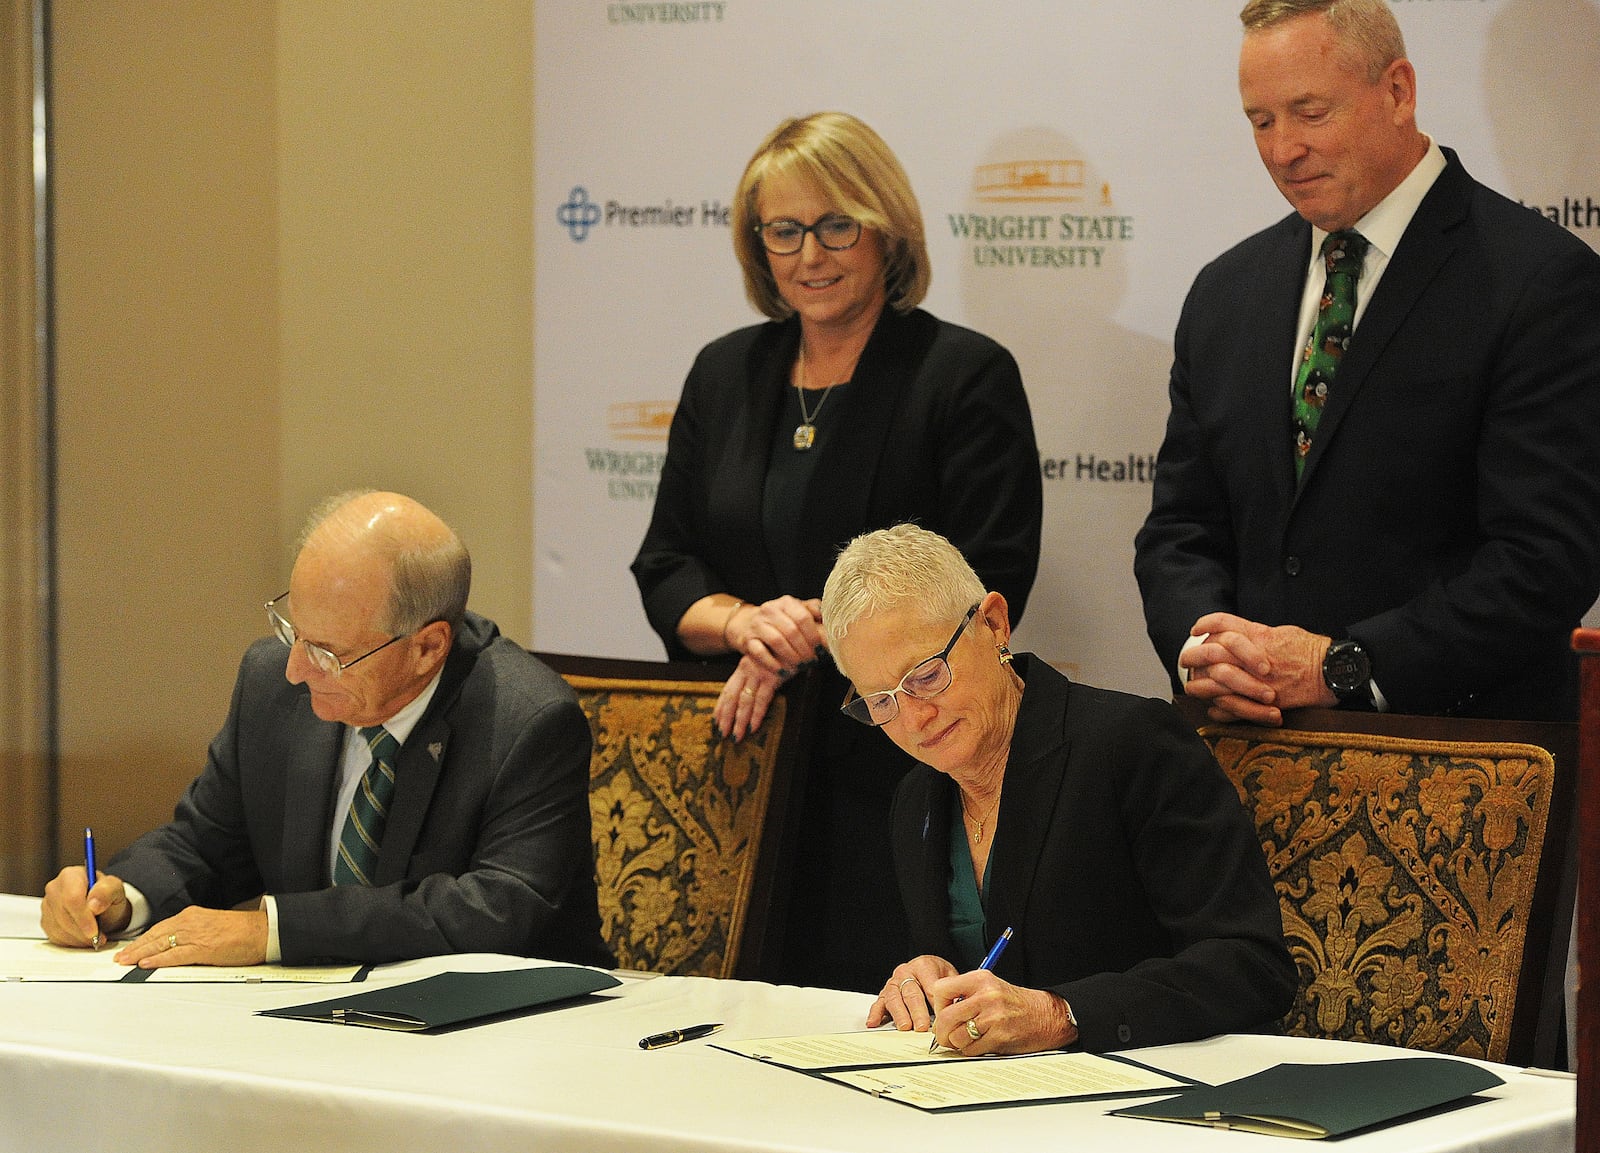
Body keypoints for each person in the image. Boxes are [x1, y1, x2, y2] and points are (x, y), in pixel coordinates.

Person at [631, 112, 1042, 992]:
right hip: (744, 769)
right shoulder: (723, 373)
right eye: (783, 230)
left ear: (884, 226)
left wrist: (812, 630)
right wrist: (748, 622)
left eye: (834, 225)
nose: (809, 254)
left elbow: (991, 573)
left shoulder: (962, 376)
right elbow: (665, 567)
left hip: (901, 764)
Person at [1134, 0, 1600, 725]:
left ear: (1398, 91)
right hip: (1236, 766)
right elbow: (1180, 531)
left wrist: (1343, 669)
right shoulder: (1226, 292)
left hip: (1455, 780)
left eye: (1310, 113)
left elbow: (1545, 560)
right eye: (1261, 121)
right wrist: (1209, 648)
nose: (1283, 150)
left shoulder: (1539, 283)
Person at [40, 490, 611, 969]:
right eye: (295, 633)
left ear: (427, 647)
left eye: (330, 653)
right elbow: (208, 842)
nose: (296, 669)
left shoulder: (528, 719)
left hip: (508, 1039)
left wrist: (271, 931)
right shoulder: (272, 682)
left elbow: (497, 909)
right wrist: (119, 897)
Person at [824, 525, 1294, 1054]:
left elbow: (1252, 966)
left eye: (928, 675)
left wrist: (1064, 1014)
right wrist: (930, 980)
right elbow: (986, 982)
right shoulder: (916, 800)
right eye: (881, 701)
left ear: (994, 624)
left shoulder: (1131, 743)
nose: (914, 718)